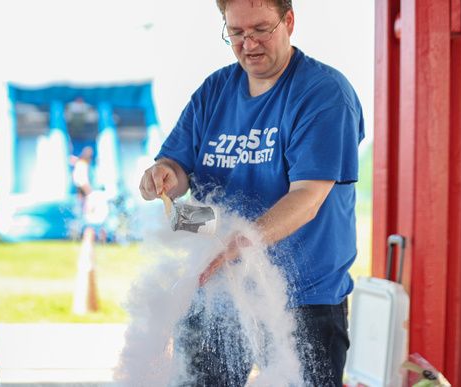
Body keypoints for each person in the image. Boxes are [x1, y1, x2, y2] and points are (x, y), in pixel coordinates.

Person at [139, 0, 365, 385]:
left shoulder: (324, 95)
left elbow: (307, 197)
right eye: (237, 33)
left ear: (289, 21)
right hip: (215, 286)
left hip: (303, 298)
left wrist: (243, 242)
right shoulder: (214, 91)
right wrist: (163, 175)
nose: (249, 43)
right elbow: (177, 169)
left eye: (261, 29)